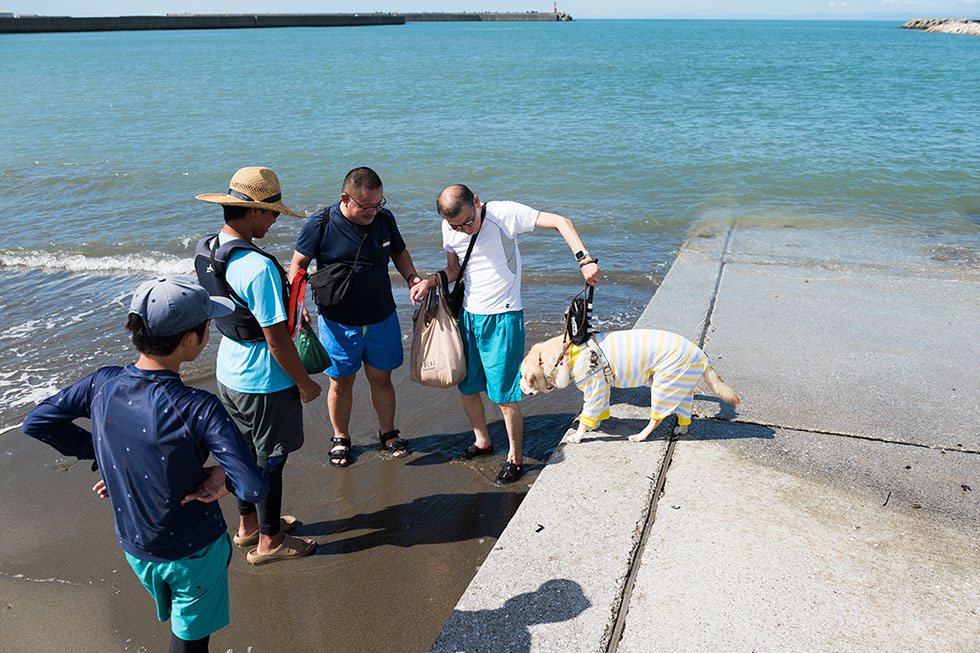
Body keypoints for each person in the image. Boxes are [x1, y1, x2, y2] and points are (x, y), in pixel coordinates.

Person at [22, 276, 270, 653]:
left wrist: (104, 454)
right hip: (195, 550)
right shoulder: (197, 406)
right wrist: (223, 479)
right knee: (190, 643)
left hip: (135, 543)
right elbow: (253, 486)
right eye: (207, 325)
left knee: (182, 629)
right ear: (191, 339)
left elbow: (37, 421)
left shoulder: (102, 383)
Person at [409, 185, 601, 484]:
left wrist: (584, 259)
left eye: (468, 221)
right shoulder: (451, 228)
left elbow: (561, 221)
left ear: (476, 202)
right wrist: (431, 281)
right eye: (456, 226)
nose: (464, 229)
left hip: (504, 318)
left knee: (503, 395)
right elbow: (454, 269)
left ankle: (515, 457)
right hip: (469, 317)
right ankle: (482, 441)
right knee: (467, 386)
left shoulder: (504, 214)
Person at [194, 166, 319, 564]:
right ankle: (271, 541)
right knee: (271, 460)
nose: (276, 219)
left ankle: (248, 528)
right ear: (251, 213)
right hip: (263, 380)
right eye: (272, 212)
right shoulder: (258, 267)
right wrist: (305, 383)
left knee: (243, 454)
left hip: (229, 369)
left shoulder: (207, 248)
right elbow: (277, 340)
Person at [288, 167, 422, 467]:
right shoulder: (320, 223)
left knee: (381, 379)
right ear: (345, 199)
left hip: (381, 317)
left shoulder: (384, 220)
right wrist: (297, 303)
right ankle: (341, 438)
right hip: (337, 322)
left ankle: (388, 432)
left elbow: (399, 252)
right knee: (341, 382)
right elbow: (298, 264)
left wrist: (412, 277)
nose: (373, 212)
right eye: (366, 207)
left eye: (378, 205)